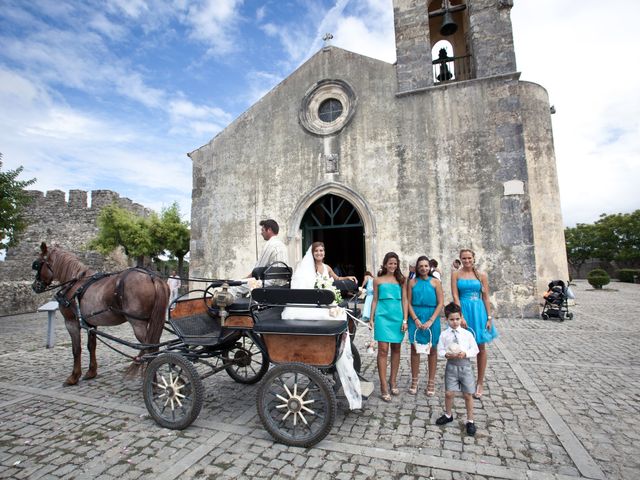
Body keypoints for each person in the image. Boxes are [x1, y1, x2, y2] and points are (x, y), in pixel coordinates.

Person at [451, 248, 497, 399]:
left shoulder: (481, 275)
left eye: (469, 258)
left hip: (478, 311)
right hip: (463, 310)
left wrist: (489, 317)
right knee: (462, 347)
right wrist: (460, 316)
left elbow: (485, 297)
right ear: (460, 259)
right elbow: (455, 296)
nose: (467, 261)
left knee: (480, 347)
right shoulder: (456, 275)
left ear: (473, 258)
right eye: (464, 258)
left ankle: (480, 382)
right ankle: (464, 379)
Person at [435, 302, 479, 436]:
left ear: (461, 318)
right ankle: (448, 414)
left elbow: (475, 349)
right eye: (452, 319)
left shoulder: (467, 334)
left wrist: (465, 353)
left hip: (465, 366)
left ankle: (470, 420)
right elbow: (440, 350)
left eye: (457, 319)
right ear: (446, 319)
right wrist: (446, 354)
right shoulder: (444, 335)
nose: (455, 322)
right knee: (449, 393)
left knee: (467, 394)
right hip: (451, 367)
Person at [405, 256, 444, 396]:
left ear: (430, 267)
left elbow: (440, 303)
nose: (423, 268)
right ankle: (414, 381)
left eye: (426, 266)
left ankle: (431, 381)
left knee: (432, 349)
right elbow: (408, 302)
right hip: (415, 315)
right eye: (420, 266)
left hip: (431, 316)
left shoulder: (435, 282)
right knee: (415, 349)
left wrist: (431, 320)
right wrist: (414, 318)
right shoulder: (411, 282)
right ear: (416, 267)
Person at [370, 252, 405, 402]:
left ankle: (393, 381)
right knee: (383, 349)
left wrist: (405, 319)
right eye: (390, 263)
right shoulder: (377, 280)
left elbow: (405, 300)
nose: (392, 266)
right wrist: (371, 318)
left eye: (395, 263)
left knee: (396, 348)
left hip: (397, 316)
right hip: (382, 316)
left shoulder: (401, 280)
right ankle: (384, 385)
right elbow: (374, 300)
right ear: (385, 264)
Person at [360, 270, 375, 353]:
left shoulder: (367, 277)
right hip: (373, 297)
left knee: (370, 318)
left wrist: (362, 287)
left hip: (369, 298)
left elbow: (364, 282)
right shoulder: (373, 278)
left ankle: (372, 340)